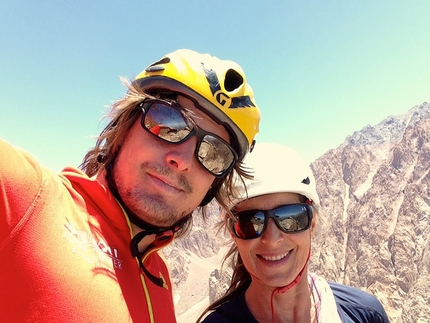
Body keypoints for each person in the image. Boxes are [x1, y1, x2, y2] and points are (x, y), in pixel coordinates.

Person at [0, 49, 260, 323]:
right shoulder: (27, 198)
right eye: (169, 123)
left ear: (212, 186)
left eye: (214, 153)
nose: (183, 160)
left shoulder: (158, 276)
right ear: (123, 127)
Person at [198, 143, 390, 323]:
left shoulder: (365, 314)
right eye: (251, 222)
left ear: (312, 223)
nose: (272, 240)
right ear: (233, 233)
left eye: (290, 218)